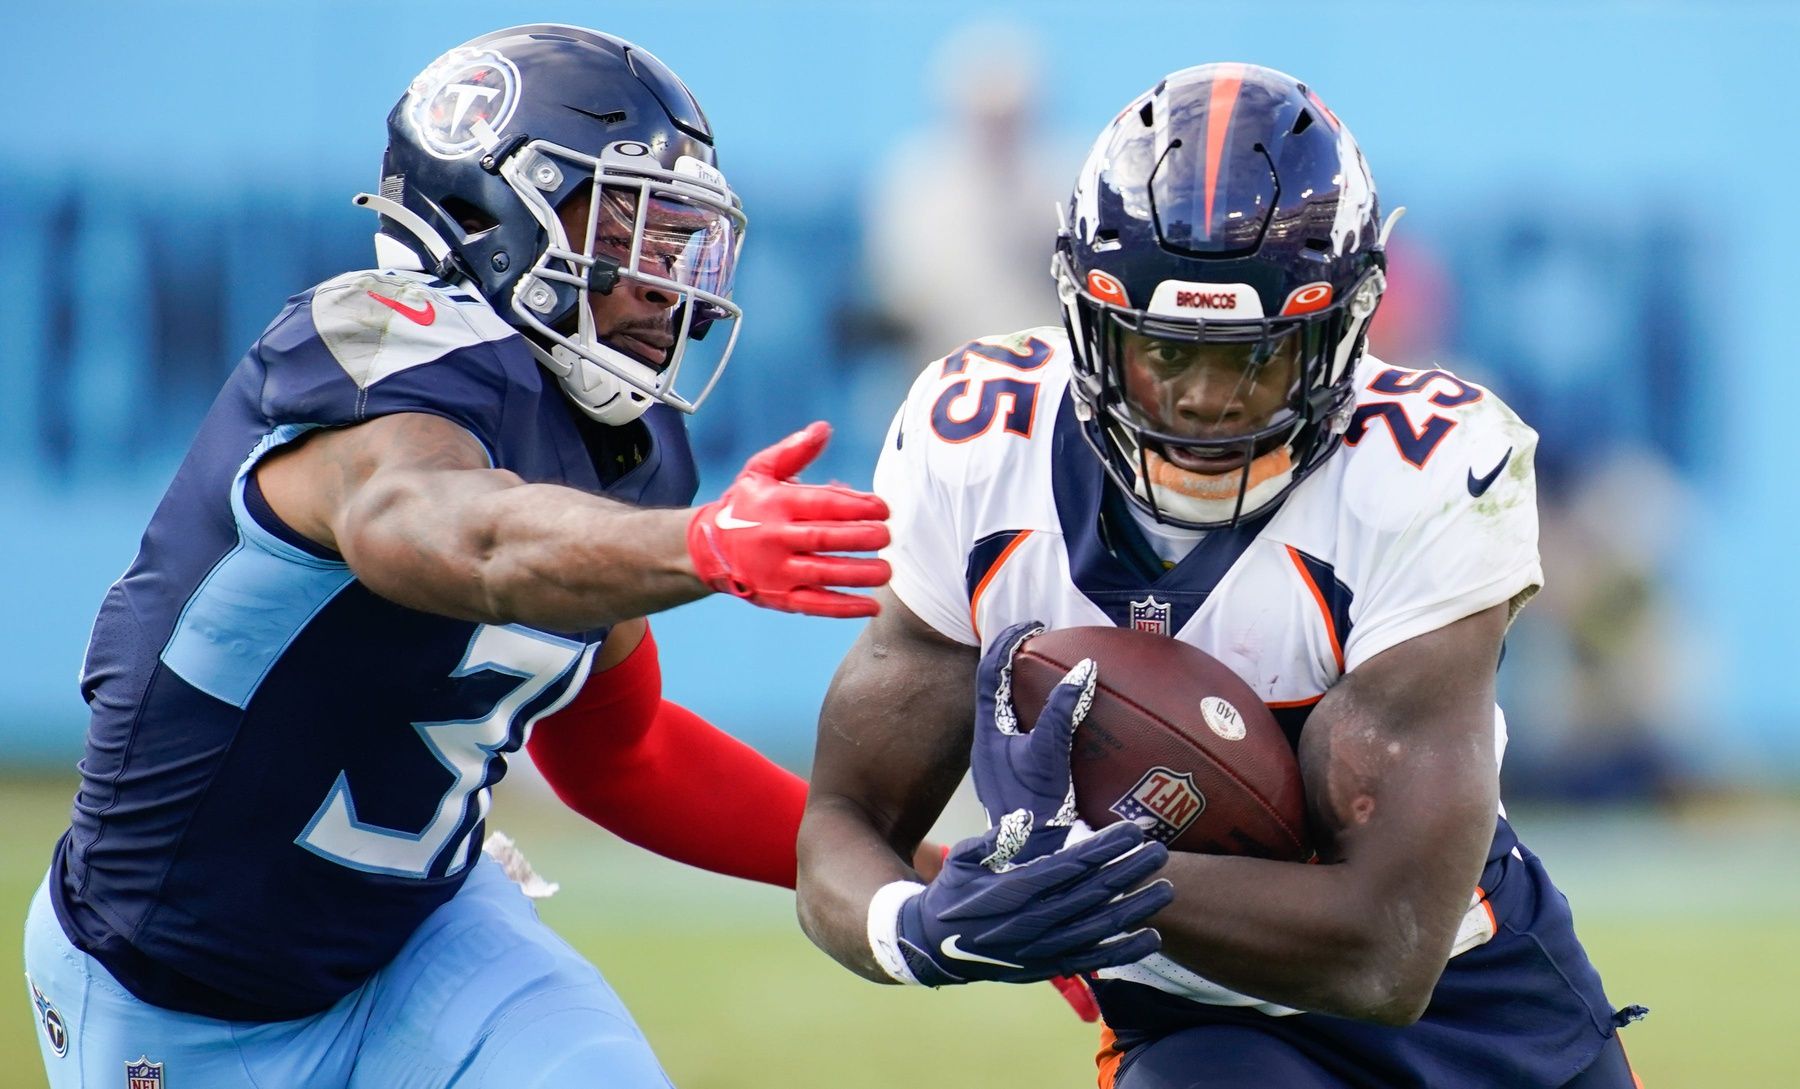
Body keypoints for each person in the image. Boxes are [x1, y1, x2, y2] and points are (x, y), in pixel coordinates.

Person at [22, 24, 894, 1088]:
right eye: (625, 227)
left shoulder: (623, 447)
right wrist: (700, 544)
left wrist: (908, 877)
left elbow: (623, 753)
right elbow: (445, 529)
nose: (663, 283)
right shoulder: (372, 350)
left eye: (677, 241)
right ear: (489, 214)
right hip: (173, 994)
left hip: (427, 937)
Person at [795, 64, 1647, 1088]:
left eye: (1254, 360)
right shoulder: (977, 445)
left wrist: (1078, 878)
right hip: (1198, 1029)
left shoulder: (1427, 472)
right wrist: (918, 929)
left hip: (1482, 1014)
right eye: (1162, 351)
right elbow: (844, 824)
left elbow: (1387, 951)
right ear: (1086, 317)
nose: (1202, 401)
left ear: (1343, 328)